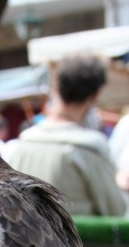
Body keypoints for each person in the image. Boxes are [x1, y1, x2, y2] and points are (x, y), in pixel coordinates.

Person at [8, 56, 127, 216]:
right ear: (94, 95)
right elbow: (116, 211)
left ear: (57, 87)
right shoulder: (89, 149)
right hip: (82, 241)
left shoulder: (21, 146)